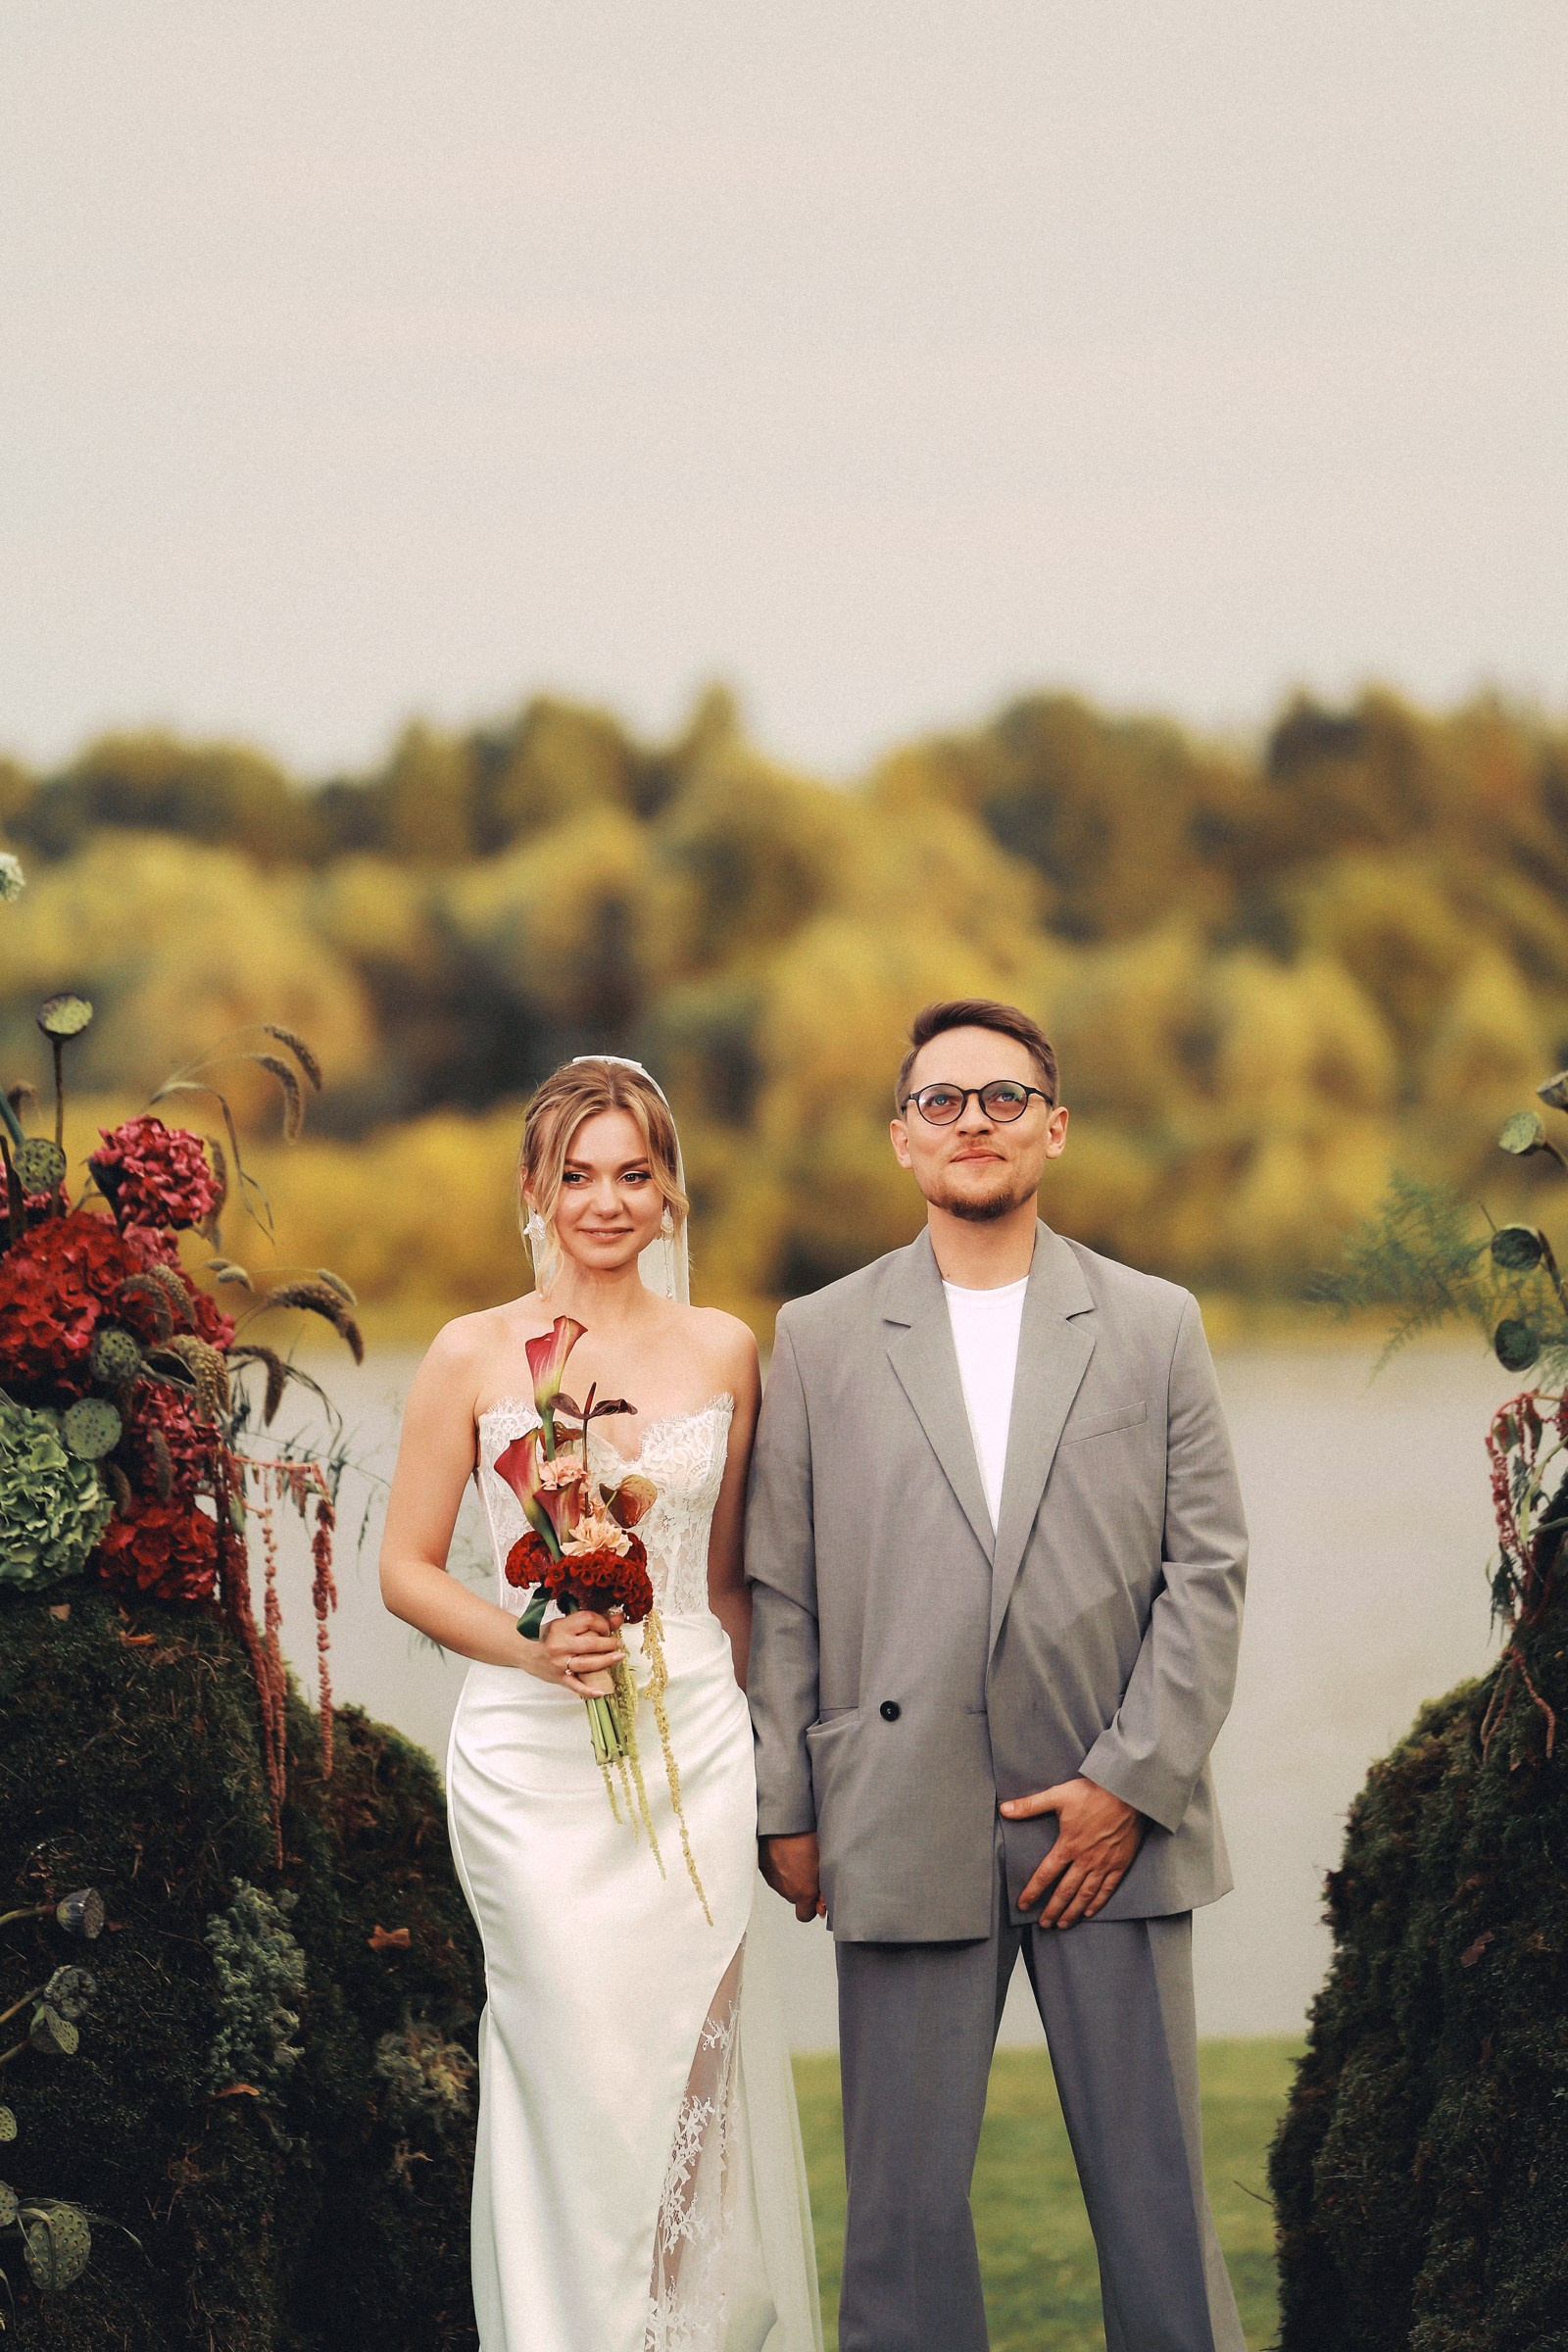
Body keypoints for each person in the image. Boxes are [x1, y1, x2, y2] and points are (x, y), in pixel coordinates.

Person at [746, 998, 1249, 2352]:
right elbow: (782, 1587)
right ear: (902, 1137)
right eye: (943, 1101)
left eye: (1004, 1097)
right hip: (899, 1809)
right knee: (901, 2235)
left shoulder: (1155, 1324)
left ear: (1054, 1127)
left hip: (1113, 1821)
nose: (974, 1121)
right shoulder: (819, 1336)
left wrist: (1130, 1785)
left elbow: (1206, 1575)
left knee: (1157, 2214)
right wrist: (786, 1804)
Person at [380, 1055, 822, 2352]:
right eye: (577, 1175)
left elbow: (728, 1584)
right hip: (531, 1769)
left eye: (634, 1174)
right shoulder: (471, 1352)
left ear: (671, 1190)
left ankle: (681, 2335)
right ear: (534, 1187)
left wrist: (776, 1784)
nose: (607, 1201)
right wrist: (529, 1647)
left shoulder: (727, 1348)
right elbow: (406, 1568)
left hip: (695, 1750)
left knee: (687, 2077)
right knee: (570, 2075)